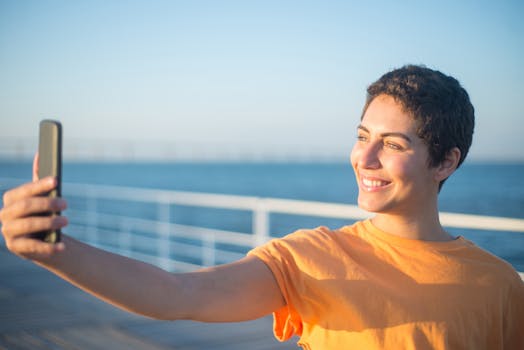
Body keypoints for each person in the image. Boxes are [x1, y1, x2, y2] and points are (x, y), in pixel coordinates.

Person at [1, 65, 523, 349]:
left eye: (393, 144)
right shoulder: (311, 256)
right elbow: (177, 294)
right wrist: (57, 253)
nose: (363, 157)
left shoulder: (500, 285)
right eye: (362, 136)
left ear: (445, 162)